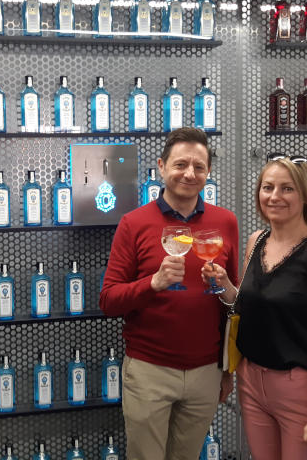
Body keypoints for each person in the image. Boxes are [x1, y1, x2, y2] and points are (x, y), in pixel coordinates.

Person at [99, 127, 239, 460]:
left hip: (206, 371)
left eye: (199, 167)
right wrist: (153, 283)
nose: (189, 174)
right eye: (180, 165)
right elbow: (108, 300)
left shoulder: (226, 222)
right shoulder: (134, 223)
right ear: (161, 167)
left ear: (208, 173)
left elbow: (235, 305)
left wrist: (227, 369)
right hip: (150, 370)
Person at [206, 154, 307, 460]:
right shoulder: (256, 241)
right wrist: (223, 285)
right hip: (252, 382)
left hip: (298, 388)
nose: (274, 196)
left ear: (306, 197)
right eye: (267, 187)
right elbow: (245, 306)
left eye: (287, 189)